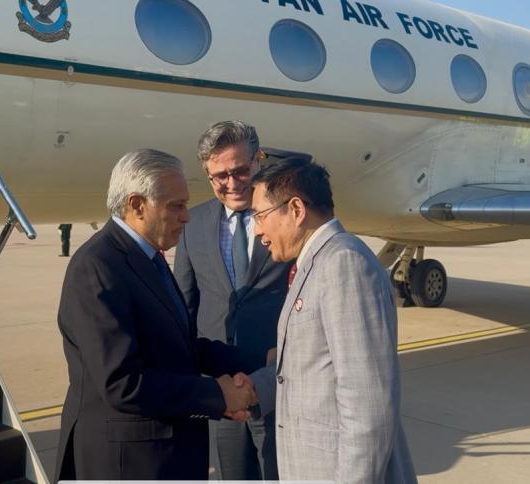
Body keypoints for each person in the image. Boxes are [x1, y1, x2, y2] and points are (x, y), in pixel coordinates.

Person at [54, 149, 264, 481]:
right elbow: (122, 383)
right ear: (137, 205)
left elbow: (181, 349)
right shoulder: (97, 267)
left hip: (163, 457)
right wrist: (216, 395)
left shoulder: (148, 258)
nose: (186, 217)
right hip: (128, 465)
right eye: (176, 206)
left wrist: (259, 360)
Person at [243, 158, 418, 483]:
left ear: (296, 209)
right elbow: (312, 368)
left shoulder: (344, 264)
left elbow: (368, 407)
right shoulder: (315, 263)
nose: (257, 230)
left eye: (260, 216)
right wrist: (256, 390)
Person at [174, 121, 290, 480]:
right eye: (220, 176)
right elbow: (184, 307)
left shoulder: (285, 216)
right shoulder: (193, 224)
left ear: (258, 160)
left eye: (240, 170)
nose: (232, 182)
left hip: (276, 381)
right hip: (221, 388)